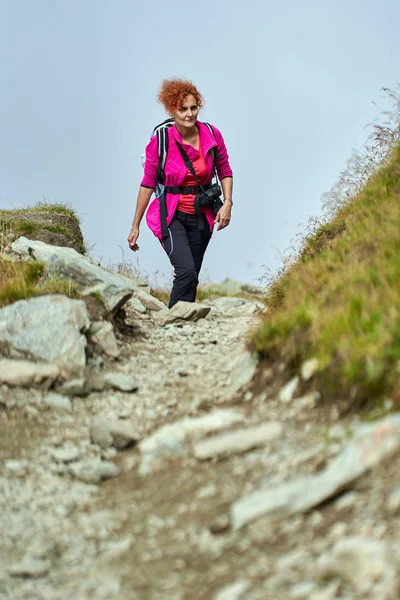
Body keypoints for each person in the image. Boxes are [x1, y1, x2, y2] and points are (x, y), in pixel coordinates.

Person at [127, 78, 233, 308]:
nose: (189, 114)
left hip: (202, 214)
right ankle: (170, 322)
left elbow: (224, 169)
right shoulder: (161, 141)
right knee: (185, 272)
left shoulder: (212, 135)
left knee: (192, 275)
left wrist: (227, 203)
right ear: (171, 110)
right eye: (183, 109)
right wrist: (136, 225)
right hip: (171, 214)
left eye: (193, 107)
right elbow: (147, 183)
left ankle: (185, 328)